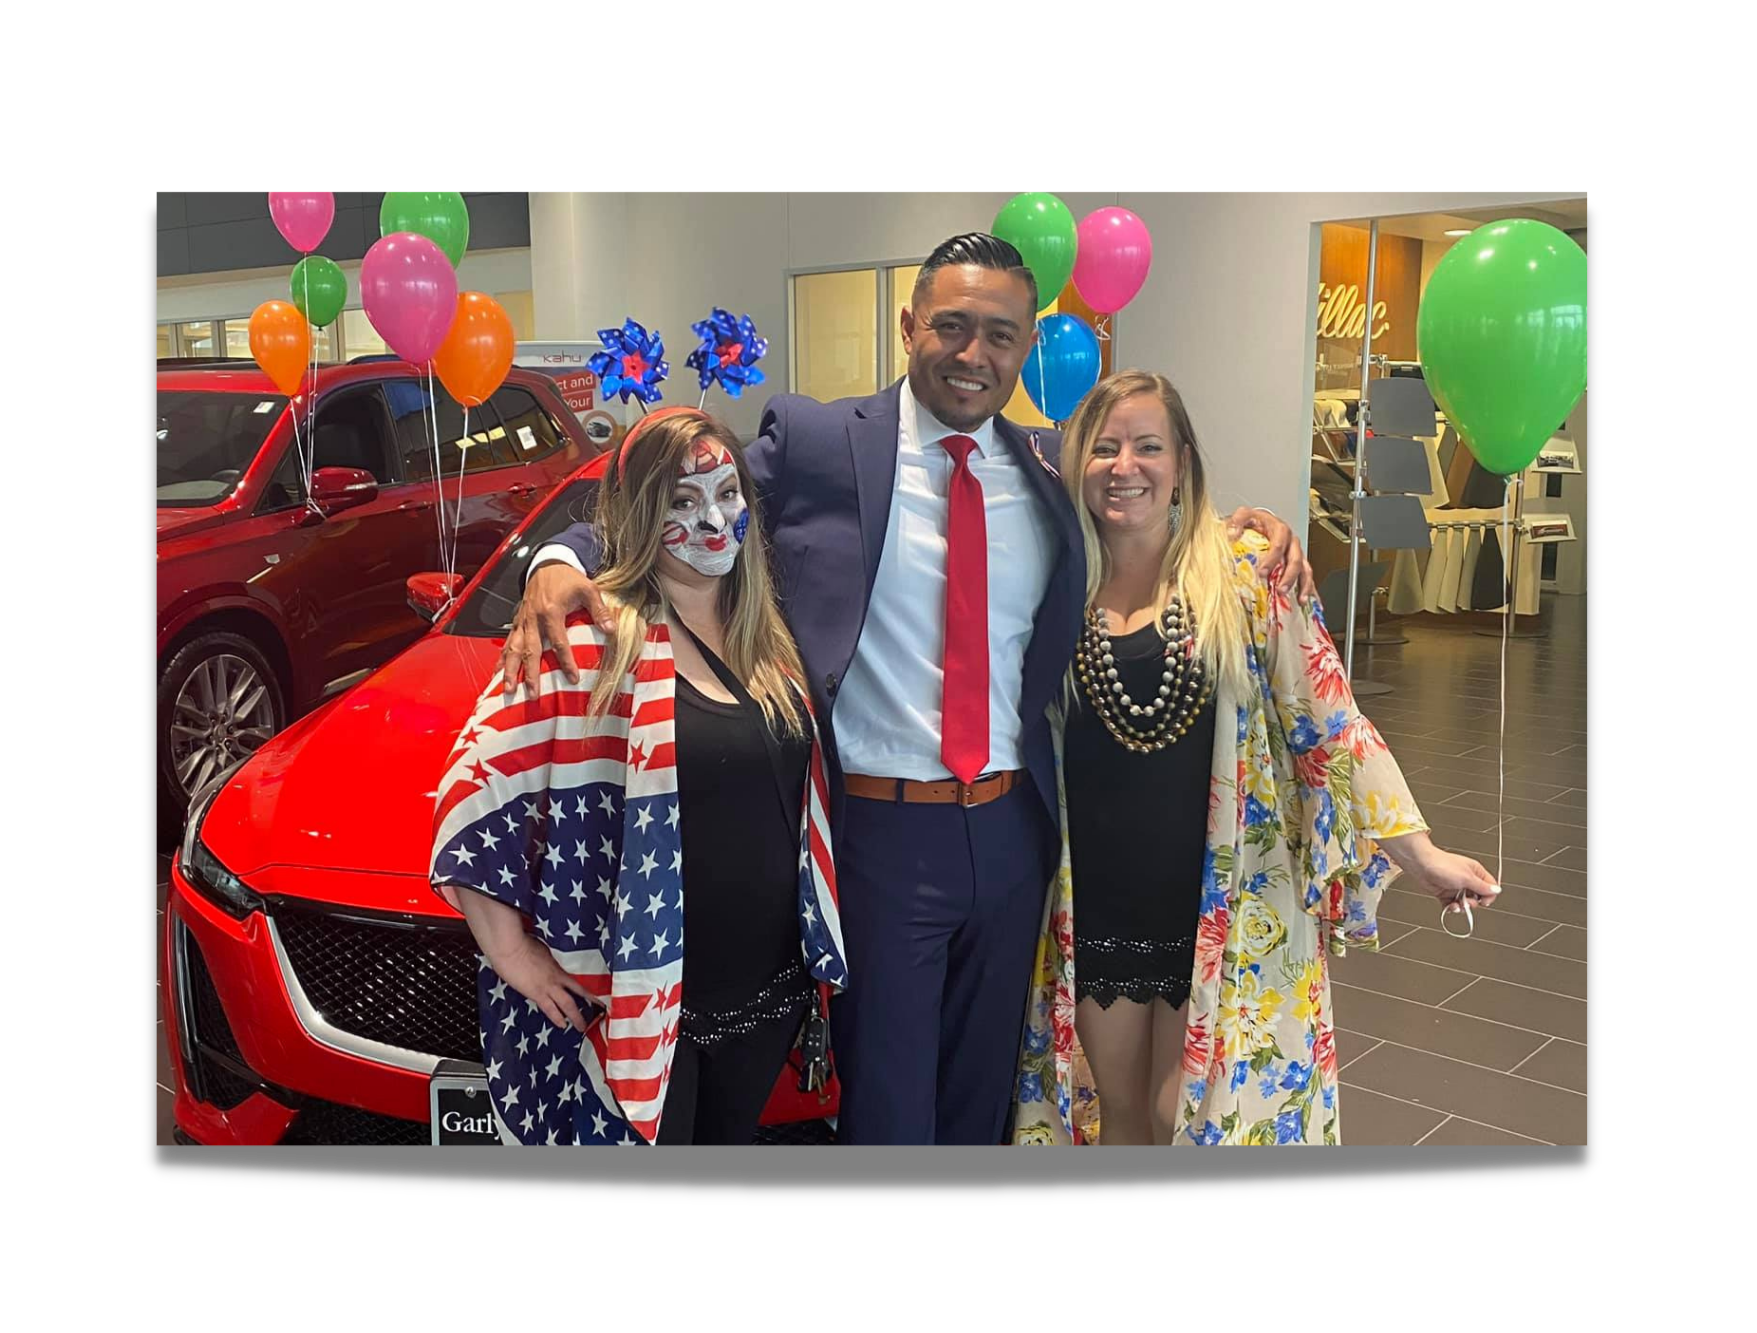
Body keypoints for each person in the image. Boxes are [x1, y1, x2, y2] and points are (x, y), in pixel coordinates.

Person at [500, 234, 1312, 1146]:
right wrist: (559, 556)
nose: (974, 354)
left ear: (1026, 344)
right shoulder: (818, 443)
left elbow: (1147, 516)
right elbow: (671, 494)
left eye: (1000, 335)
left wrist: (1248, 528)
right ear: (907, 325)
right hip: (881, 838)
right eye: (952, 326)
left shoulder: (1051, 465)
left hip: (1014, 832)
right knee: (887, 1110)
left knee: (983, 1104)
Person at [1011, 371, 1499, 1146]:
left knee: (1184, 1111)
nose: (1123, 466)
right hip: (1098, 899)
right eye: (1103, 448)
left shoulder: (1244, 573)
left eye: (1146, 446)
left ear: (1181, 463)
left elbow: (1330, 720)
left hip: (1221, 896)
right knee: (1118, 1110)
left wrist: (1421, 854)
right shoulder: (1054, 581)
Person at [428, 408, 846, 1146]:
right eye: (682, 500)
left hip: (767, 996)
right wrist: (509, 950)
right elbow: (471, 788)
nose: (712, 519)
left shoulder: (769, 637)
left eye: (726, 493)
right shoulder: (591, 638)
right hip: (642, 1008)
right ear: (643, 514)